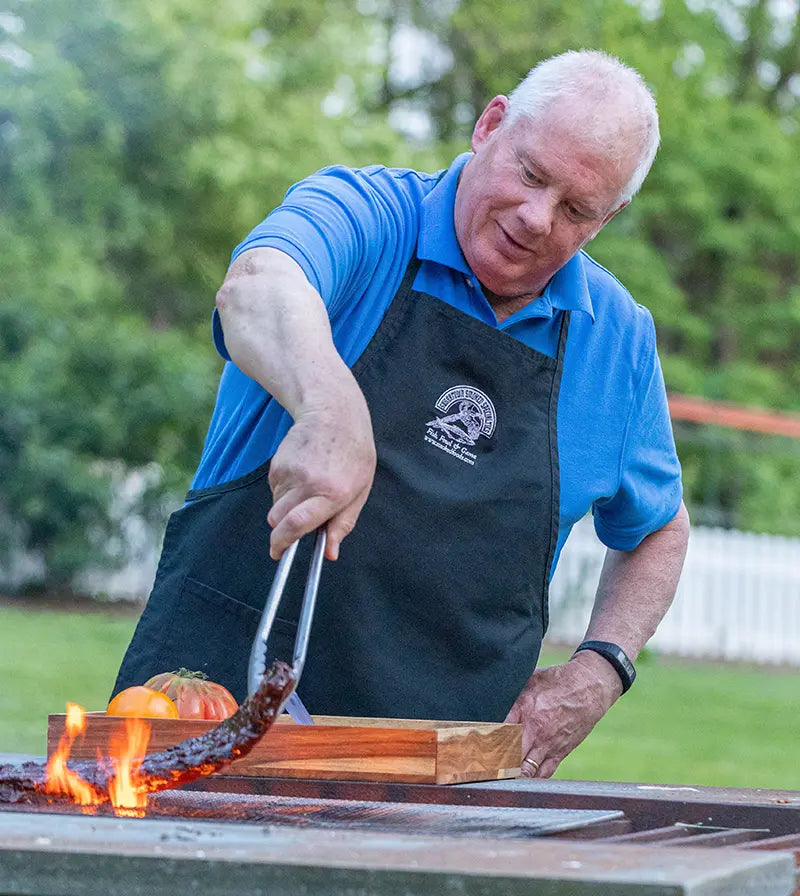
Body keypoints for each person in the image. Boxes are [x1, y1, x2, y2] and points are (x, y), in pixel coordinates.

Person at [113, 49, 690, 779]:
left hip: (443, 774)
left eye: (576, 209)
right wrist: (328, 406)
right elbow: (257, 285)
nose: (535, 218)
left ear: (610, 217)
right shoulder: (363, 215)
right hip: (203, 725)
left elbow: (659, 528)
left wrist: (602, 668)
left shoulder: (617, 340)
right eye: (531, 174)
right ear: (491, 125)